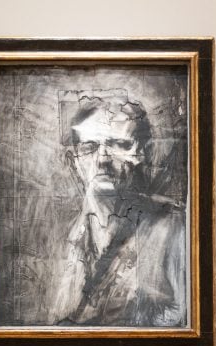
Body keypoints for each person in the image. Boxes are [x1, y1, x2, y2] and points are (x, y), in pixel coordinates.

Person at [47, 91, 188, 327]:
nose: (102, 158)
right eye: (89, 147)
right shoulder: (71, 233)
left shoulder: (171, 224)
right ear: (75, 161)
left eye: (117, 144)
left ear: (140, 153)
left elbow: (181, 316)